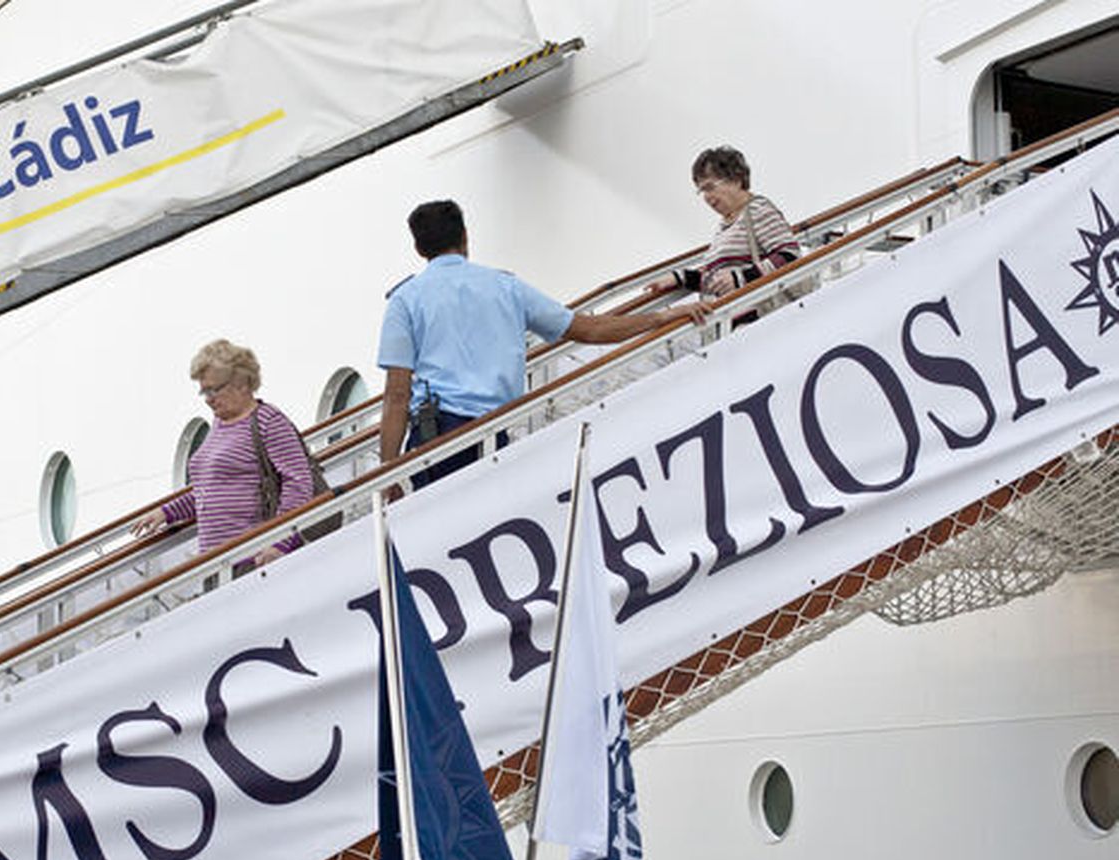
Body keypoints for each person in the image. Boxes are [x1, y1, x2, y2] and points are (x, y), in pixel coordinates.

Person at [378, 199, 710, 486]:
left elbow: (396, 395)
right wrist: (661, 317)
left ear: (419, 249)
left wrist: (387, 472)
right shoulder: (505, 287)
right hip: (497, 431)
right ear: (465, 237)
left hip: (437, 438)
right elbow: (589, 330)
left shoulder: (405, 301)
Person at [131, 339, 315, 567]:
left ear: (242, 383)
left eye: (214, 389)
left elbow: (299, 482)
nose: (208, 399)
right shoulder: (219, 424)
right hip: (217, 562)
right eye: (204, 391)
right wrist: (167, 512)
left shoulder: (268, 421)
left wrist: (280, 543)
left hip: (256, 558)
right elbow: (213, 489)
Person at [640, 145, 801, 303]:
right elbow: (718, 281)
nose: (707, 197)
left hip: (762, 316)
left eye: (710, 187)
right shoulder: (724, 228)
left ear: (736, 180)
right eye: (701, 191)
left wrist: (741, 278)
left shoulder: (757, 210)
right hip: (733, 321)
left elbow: (790, 255)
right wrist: (679, 278)